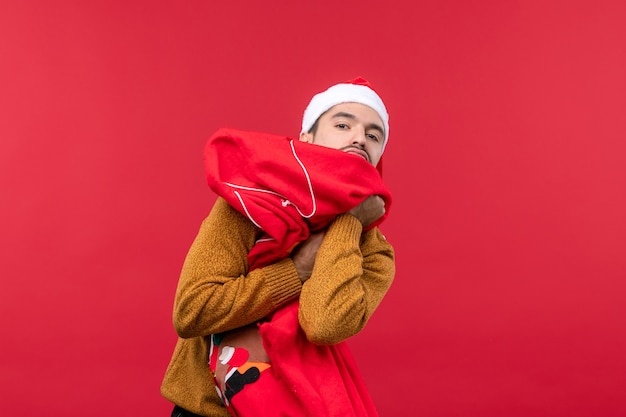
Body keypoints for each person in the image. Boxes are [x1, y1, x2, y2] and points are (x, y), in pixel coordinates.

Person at [161, 77, 396, 417]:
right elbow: (193, 311)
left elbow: (325, 324)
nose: (359, 138)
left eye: (374, 135)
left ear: (377, 158)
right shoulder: (248, 203)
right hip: (207, 411)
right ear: (307, 138)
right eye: (343, 124)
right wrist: (298, 269)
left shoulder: (374, 252)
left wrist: (350, 222)